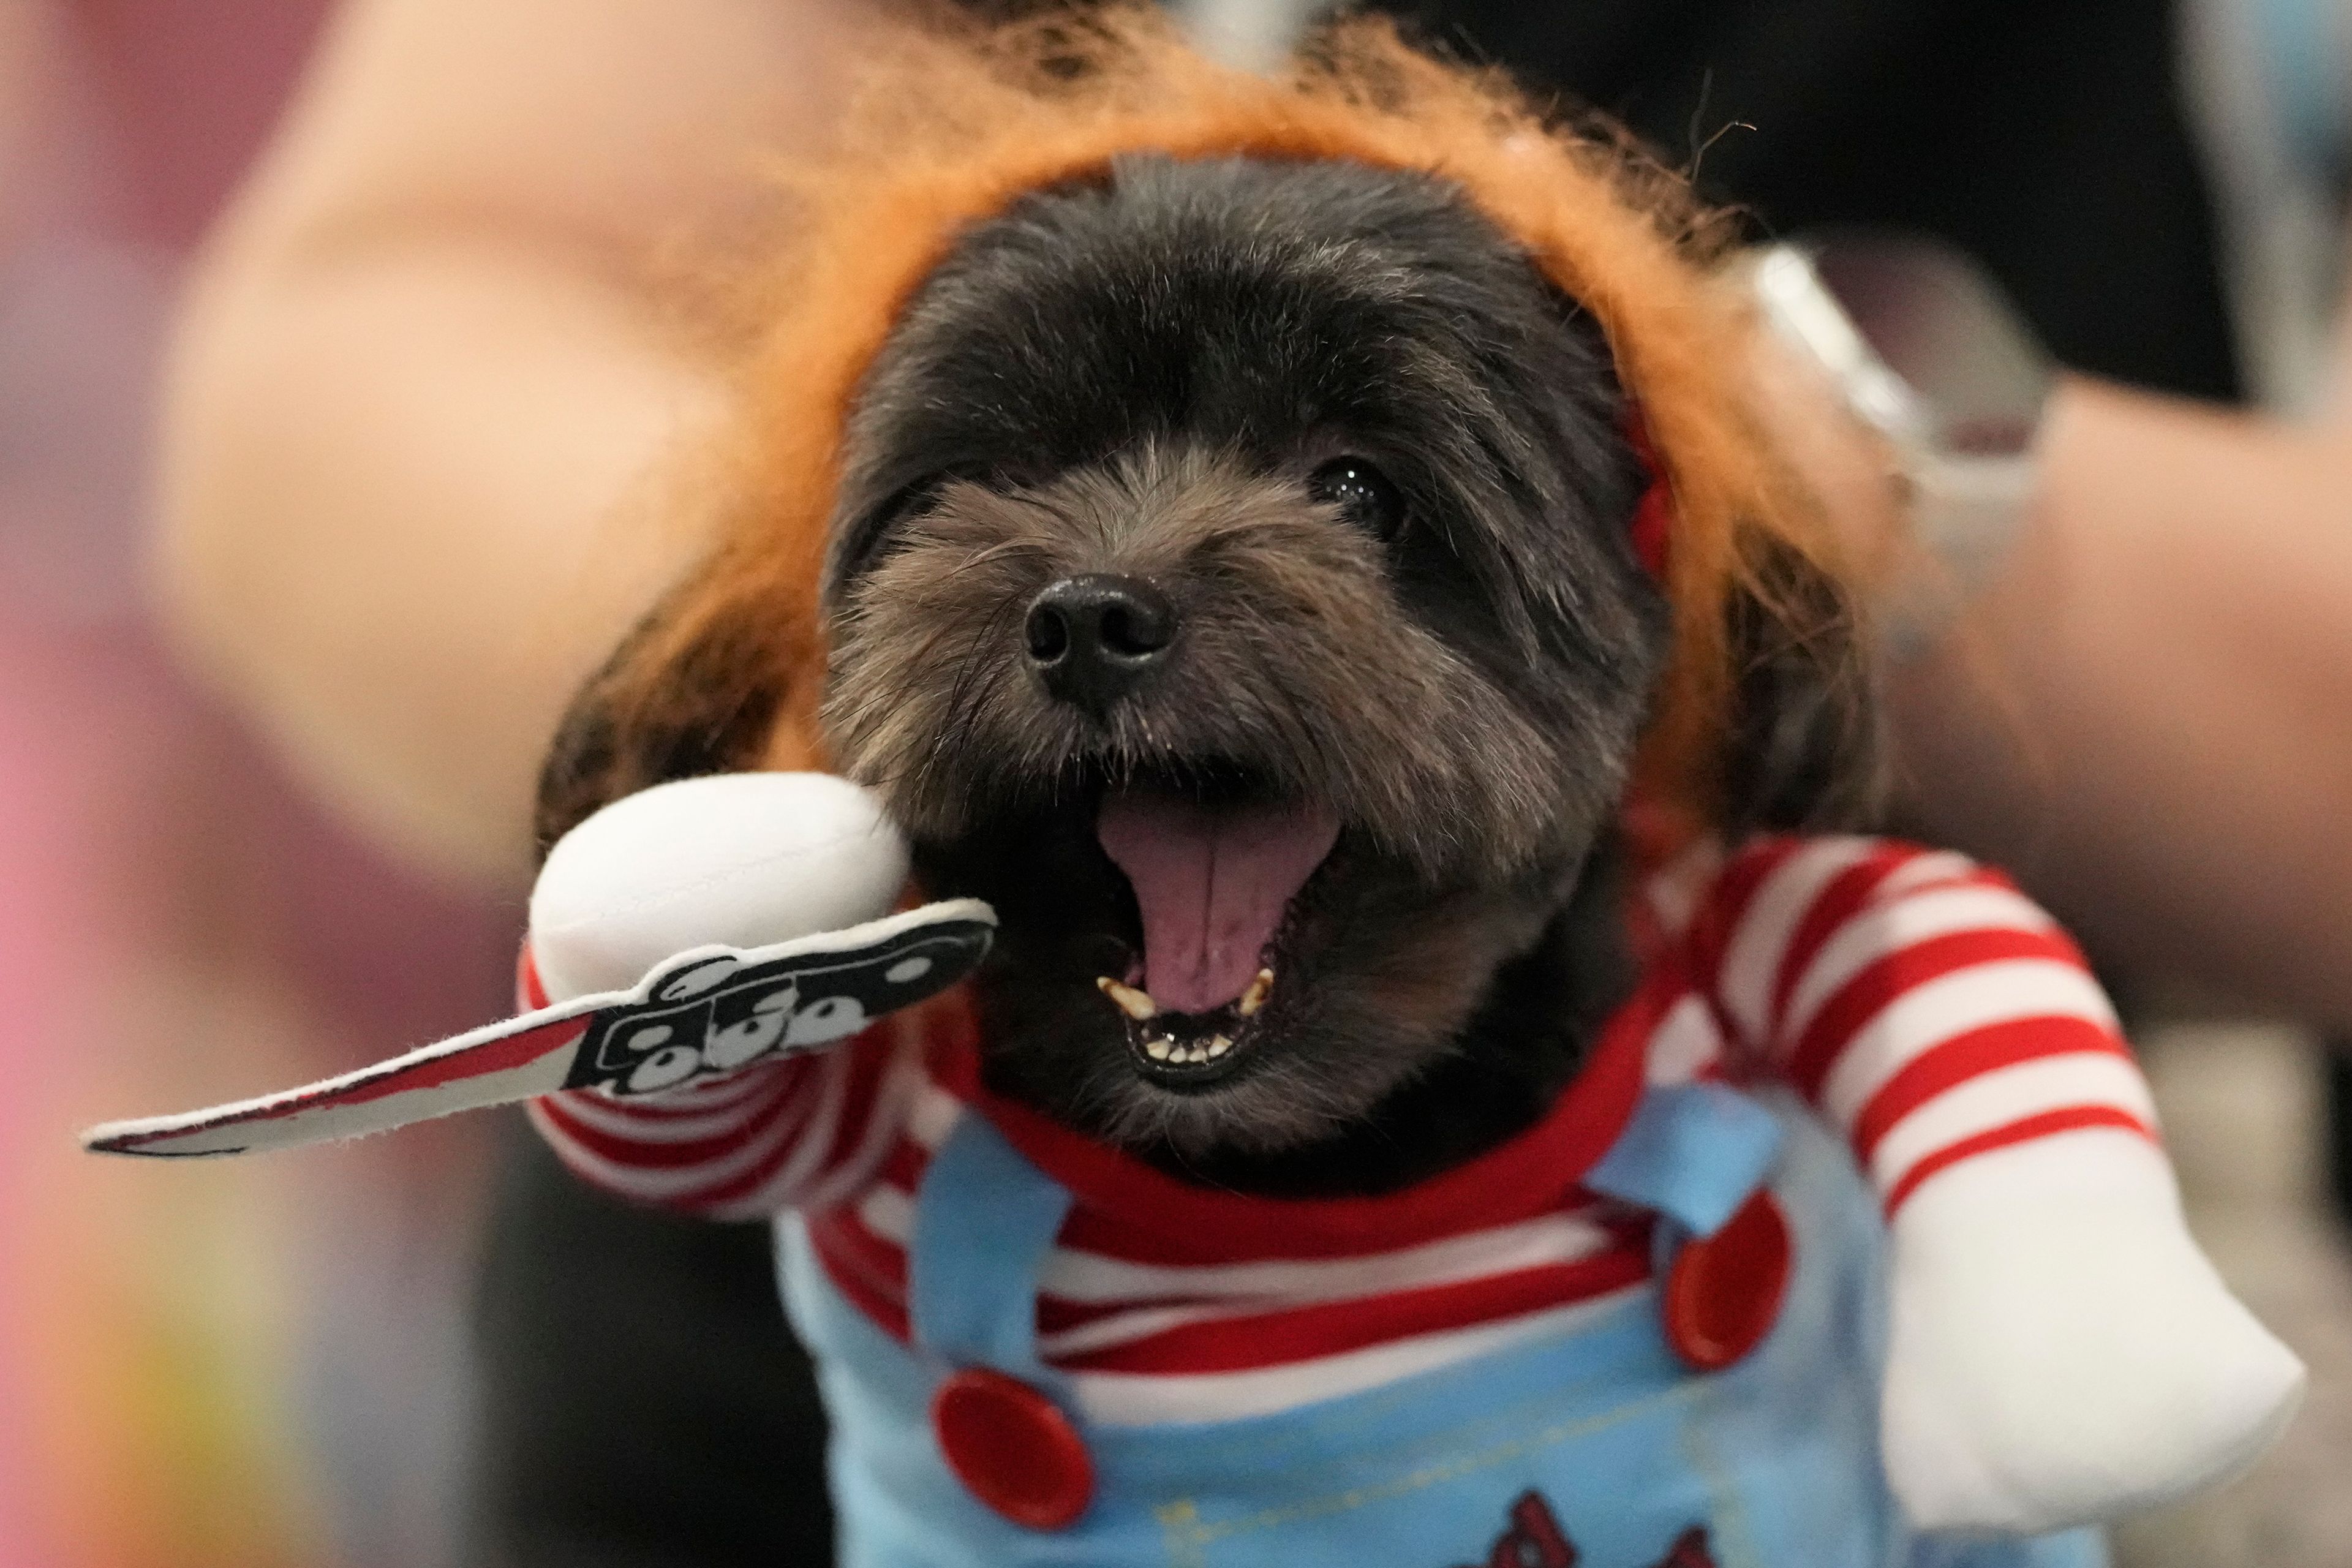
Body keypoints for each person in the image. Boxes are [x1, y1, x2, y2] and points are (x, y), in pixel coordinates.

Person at [155, 1, 2351, 1562]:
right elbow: (356, 341)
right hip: (776, 1435)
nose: (1115, 587)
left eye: (1355, 498)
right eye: (995, 483)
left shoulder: (1826, 938)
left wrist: (1817, 489)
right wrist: (786, 745)